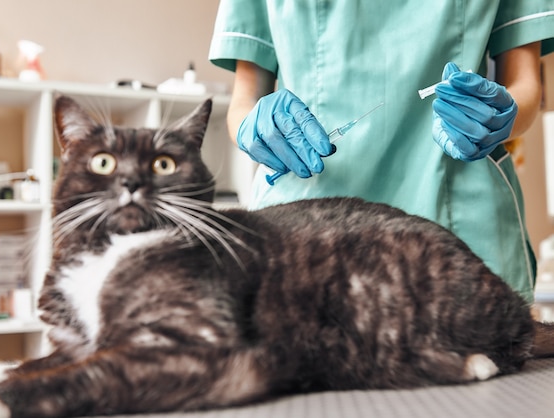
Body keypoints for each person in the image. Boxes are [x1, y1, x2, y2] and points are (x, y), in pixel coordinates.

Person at [208, 1, 554, 302]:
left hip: (460, 220)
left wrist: (499, 115)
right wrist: (252, 125)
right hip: (304, 224)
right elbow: (244, 100)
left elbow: (525, 85)